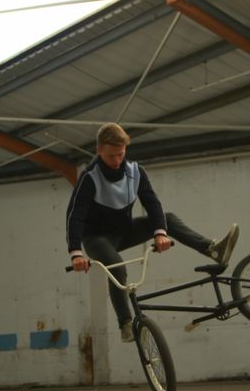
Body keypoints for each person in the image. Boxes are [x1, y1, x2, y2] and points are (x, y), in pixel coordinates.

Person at [66, 122, 239, 342]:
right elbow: (75, 215)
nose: (117, 161)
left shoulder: (135, 172)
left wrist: (160, 233)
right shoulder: (90, 178)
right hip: (97, 238)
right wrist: (75, 253)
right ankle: (126, 324)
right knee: (117, 267)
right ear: (99, 151)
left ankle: (212, 249)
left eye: (121, 154)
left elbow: (152, 203)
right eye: (111, 156)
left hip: (125, 230)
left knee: (167, 218)